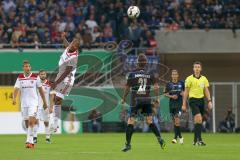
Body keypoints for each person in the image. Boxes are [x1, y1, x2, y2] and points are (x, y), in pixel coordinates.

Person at [121, 53, 166, 152]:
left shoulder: (132, 74)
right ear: (146, 63)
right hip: (147, 100)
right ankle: (160, 139)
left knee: (131, 121)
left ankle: (128, 145)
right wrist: (157, 98)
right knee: (150, 121)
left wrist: (124, 98)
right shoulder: (150, 74)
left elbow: (127, 88)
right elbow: (157, 87)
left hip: (135, 100)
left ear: (137, 63)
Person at [12, 60, 48, 149]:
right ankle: (30, 140)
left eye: (28, 66)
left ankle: (29, 141)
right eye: (25, 66)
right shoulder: (20, 77)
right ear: (23, 68)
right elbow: (16, 88)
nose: (27, 68)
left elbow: (41, 90)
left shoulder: (36, 77)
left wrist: (44, 102)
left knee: (32, 121)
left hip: (33, 103)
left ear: (30, 67)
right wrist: (14, 98)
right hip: (24, 103)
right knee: (26, 122)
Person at [50, 32, 80, 133]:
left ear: (76, 48)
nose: (71, 45)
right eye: (72, 43)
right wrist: (63, 38)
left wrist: (56, 82)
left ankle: (55, 124)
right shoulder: (69, 47)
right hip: (60, 75)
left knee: (58, 99)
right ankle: (55, 122)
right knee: (55, 99)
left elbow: (67, 71)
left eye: (74, 45)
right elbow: (67, 45)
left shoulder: (73, 58)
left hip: (67, 79)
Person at [182, 61, 212, 146]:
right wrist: (184, 104)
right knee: (198, 117)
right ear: (193, 69)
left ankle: (195, 140)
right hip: (193, 101)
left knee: (198, 121)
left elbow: (206, 90)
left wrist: (209, 101)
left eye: (198, 67)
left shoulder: (204, 79)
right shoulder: (189, 79)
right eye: (195, 67)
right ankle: (200, 140)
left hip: (201, 101)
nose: (197, 69)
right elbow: (186, 92)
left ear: (201, 69)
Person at [33, 70, 55, 144]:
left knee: (46, 122)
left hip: (46, 106)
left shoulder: (49, 84)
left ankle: (47, 138)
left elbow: (52, 96)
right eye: (41, 74)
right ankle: (35, 138)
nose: (43, 75)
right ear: (39, 75)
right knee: (36, 121)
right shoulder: (36, 83)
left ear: (46, 75)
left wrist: (51, 107)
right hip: (37, 106)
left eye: (44, 74)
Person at [164, 69, 184, 144]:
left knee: (177, 121)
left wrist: (183, 94)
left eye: (176, 74)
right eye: (173, 74)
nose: (174, 76)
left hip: (179, 104)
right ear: (171, 76)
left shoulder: (181, 83)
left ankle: (175, 138)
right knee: (175, 122)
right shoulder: (168, 84)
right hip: (171, 105)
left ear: (178, 75)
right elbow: (165, 94)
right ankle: (181, 137)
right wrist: (172, 96)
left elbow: (185, 91)